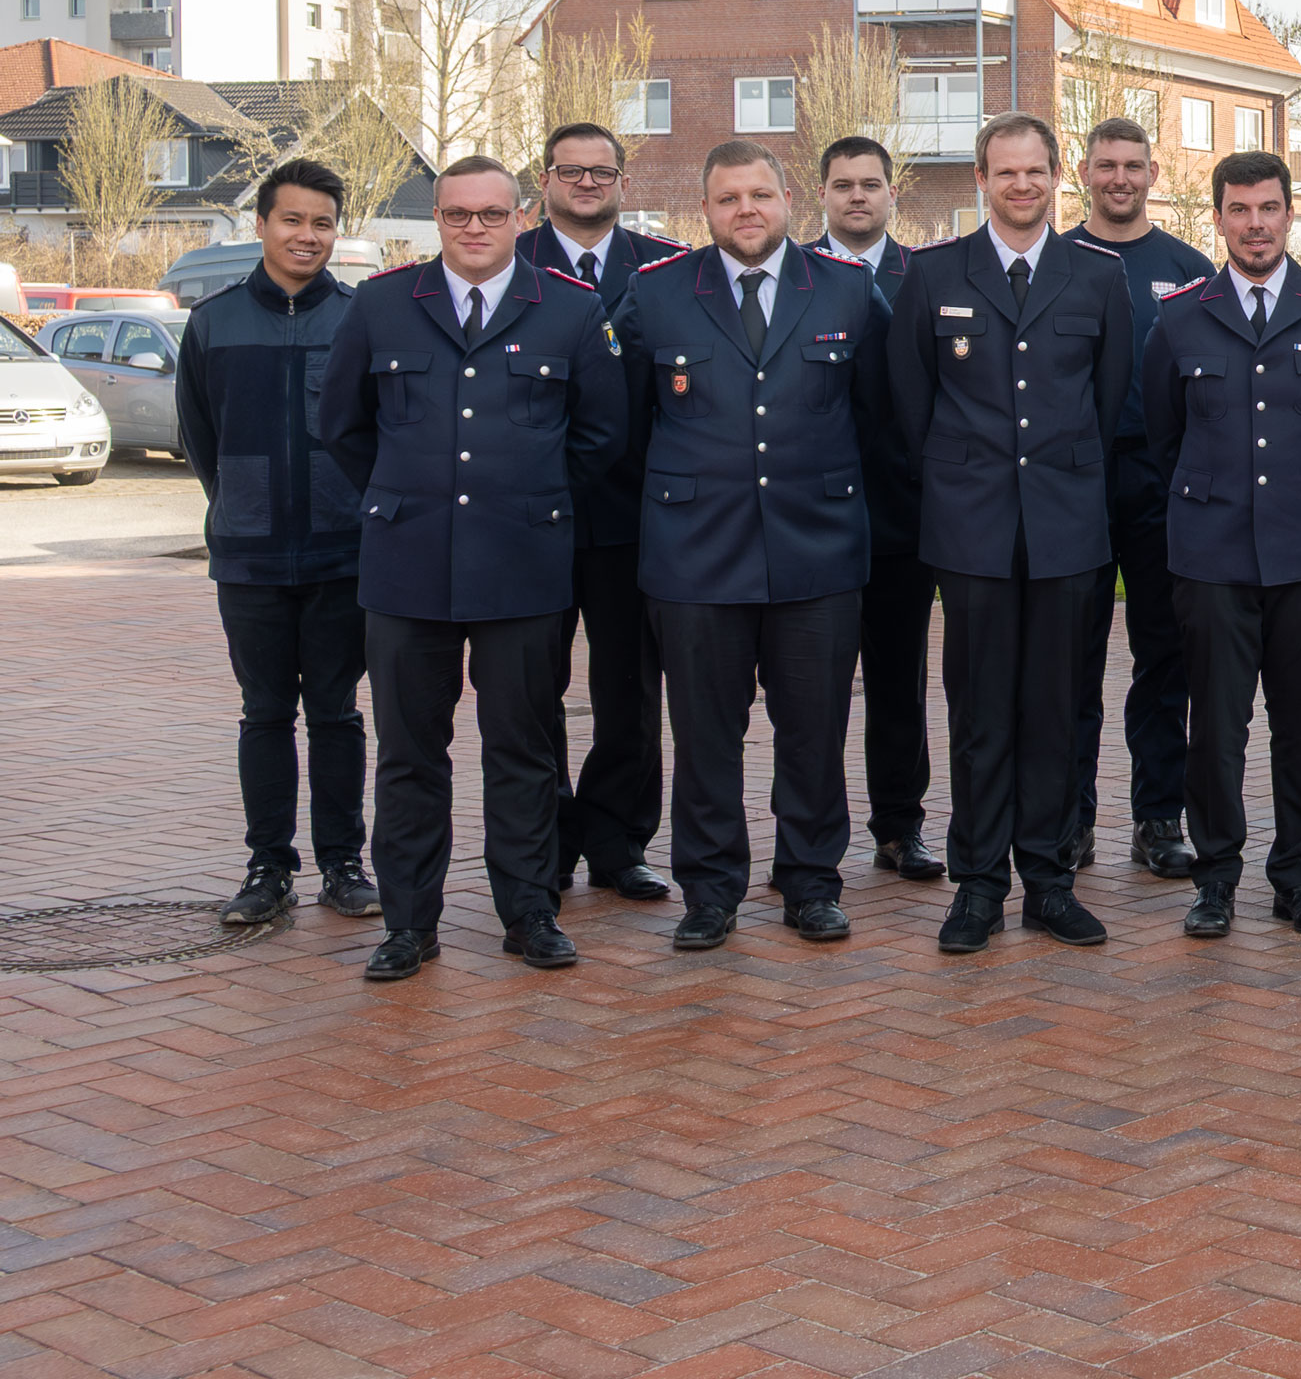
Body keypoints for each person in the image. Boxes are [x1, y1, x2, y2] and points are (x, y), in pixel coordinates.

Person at [319, 155, 628, 980]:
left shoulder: (567, 308)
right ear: (437, 219)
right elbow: (343, 426)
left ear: (519, 217)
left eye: (491, 214)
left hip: (522, 565)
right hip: (407, 565)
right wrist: (402, 495)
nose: (475, 229)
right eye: (458, 215)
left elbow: (600, 434)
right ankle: (408, 925)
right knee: (409, 755)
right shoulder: (383, 304)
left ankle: (529, 913)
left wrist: (531, 498)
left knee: (522, 749)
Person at [617, 142, 892, 952]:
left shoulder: (848, 289)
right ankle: (710, 892)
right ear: (704, 209)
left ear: (788, 200)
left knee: (814, 732)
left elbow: (879, 417)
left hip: (818, 551)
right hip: (696, 556)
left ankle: (811, 884)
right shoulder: (656, 293)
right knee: (705, 736)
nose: (746, 210)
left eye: (761, 195)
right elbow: (626, 427)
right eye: (728, 197)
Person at [887, 113, 1132, 953]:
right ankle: (980, 886)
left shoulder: (1096, 277)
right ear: (980, 181)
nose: (1021, 186)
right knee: (982, 711)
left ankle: (1050, 882)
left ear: (1056, 177)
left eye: (1036, 172)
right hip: (973, 531)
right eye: (1005, 172)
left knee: (1058, 712)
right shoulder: (932, 275)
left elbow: (1109, 404)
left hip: (1067, 528)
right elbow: (910, 407)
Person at [1144, 151, 1301, 939]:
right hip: (1213, 551)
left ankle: (1299, 877)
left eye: (1270, 208)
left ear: (1293, 216)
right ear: (1217, 218)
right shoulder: (1181, 313)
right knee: (1216, 725)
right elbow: (1163, 432)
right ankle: (1215, 880)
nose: (1256, 224)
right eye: (1240, 209)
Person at [177, 159, 377, 928]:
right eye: (292, 220)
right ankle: (268, 868)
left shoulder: (361, 319)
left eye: (322, 223)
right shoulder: (213, 323)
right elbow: (202, 438)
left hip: (342, 553)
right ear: (260, 224)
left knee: (335, 713)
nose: (307, 235)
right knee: (265, 714)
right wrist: (240, 507)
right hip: (250, 559)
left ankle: (343, 865)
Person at [515, 121, 681, 904]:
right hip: (533, 518)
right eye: (570, 171)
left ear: (623, 180)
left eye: (601, 172)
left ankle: (617, 840)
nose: (587, 183)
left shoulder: (667, 269)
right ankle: (546, 839)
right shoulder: (507, 266)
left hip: (631, 518)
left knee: (629, 692)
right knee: (530, 690)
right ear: (545, 179)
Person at [1064, 117, 1216, 880]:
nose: (1119, 178)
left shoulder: (1188, 269)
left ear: (1154, 173)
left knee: (1164, 657)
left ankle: (1159, 819)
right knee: (1071, 659)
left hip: (1164, 483)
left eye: (1132, 166)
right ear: (1083, 171)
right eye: (1105, 166)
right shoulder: (1053, 260)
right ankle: (1070, 819)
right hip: (1074, 483)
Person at [809, 135, 943, 883]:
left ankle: (900, 828)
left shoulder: (921, 277)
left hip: (899, 518)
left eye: (870, 185)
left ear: (893, 195)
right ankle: (808, 836)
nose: (857, 196)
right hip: (810, 519)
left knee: (898, 681)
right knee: (812, 691)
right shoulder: (795, 273)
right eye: (842, 185)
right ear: (821, 195)